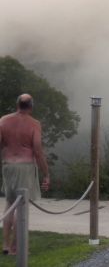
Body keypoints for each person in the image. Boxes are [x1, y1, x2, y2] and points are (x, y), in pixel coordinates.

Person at [0, 94, 50, 255]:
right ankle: (16, 247)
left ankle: (6, 245)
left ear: (17, 105)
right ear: (31, 106)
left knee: (9, 204)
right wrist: (46, 173)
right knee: (21, 206)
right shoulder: (34, 124)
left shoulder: (3, 120)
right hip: (25, 166)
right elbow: (37, 149)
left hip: (8, 166)